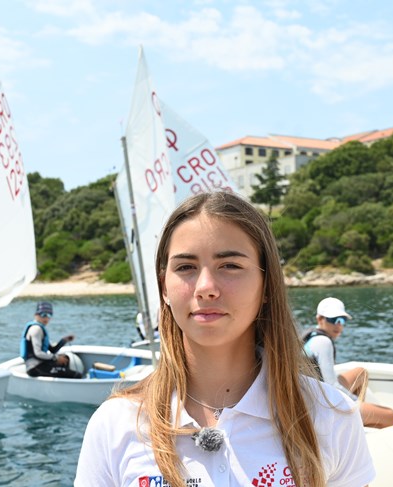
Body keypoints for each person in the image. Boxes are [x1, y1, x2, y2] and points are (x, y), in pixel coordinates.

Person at [76, 192, 375, 487]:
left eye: (230, 265)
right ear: (164, 287)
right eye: (185, 267)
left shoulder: (330, 417)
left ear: (267, 284)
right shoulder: (116, 425)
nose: (206, 288)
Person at [303, 297, 393, 429]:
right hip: (322, 405)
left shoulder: (311, 337)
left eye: (342, 320)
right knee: (391, 416)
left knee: (360, 373)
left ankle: (356, 419)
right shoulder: (323, 342)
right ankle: (354, 420)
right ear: (320, 319)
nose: (338, 325)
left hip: (315, 394)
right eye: (333, 320)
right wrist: (355, 400)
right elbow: (332, 385)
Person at [20, 301, 81, 378]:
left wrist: (64, 340)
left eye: (49, 315)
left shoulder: (40, 328)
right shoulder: (36, 329)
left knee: (65, 359)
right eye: (43, 315)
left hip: (41, 365)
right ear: (36, 315)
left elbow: (52, 350)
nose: (46, 318)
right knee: (77, 375)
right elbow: (38, 353)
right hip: (35, 367)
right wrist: (56, 358)